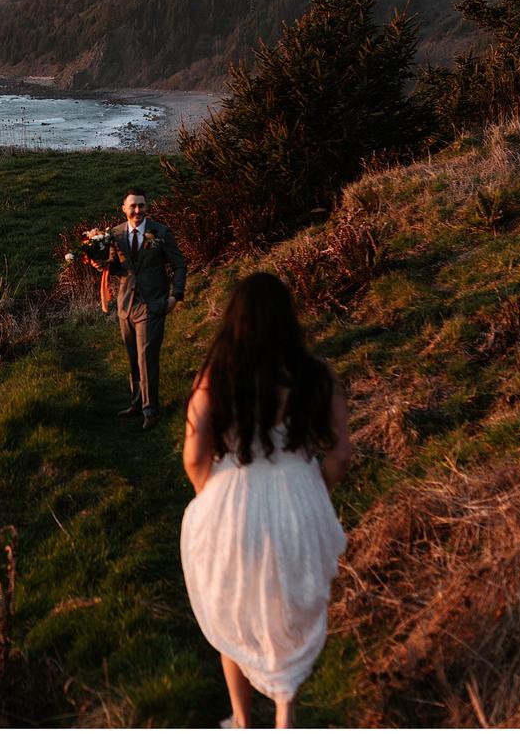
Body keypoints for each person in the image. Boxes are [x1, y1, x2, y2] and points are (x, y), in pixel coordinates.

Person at [179, 272, 352, 729]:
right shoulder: (316, 375)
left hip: (232, 496)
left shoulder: (215, 377)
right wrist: (316, 491)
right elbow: (341, 453)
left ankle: (240, 718)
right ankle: (285, 715)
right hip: (298, 490)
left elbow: (195, 455)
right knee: (288, 607)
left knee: (231, 604)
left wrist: (209, 497)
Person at [93, 188, 186, 431]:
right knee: (133, 357)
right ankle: (136, 403)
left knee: (147, 357)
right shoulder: (116, 234)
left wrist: (175, 296)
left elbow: (179, 266)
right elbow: (117, 267)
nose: (137, 210)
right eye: (132, 206)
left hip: (152, 304)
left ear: (147, 207)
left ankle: (150, 410)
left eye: (141, 206)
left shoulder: (161, 233)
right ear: (124, 209)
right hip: (126, 305)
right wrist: (102, 264)